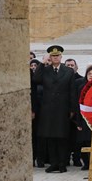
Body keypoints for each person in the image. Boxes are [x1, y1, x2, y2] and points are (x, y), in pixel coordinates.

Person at [31, 45, 77, 173]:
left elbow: (72, 91)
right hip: (48, 110)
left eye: (57, 56)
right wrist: (42, 63)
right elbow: (36, 79)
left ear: (61, 57)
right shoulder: (45, 70)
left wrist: (72, 108)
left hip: (62, 109)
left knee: (62, 137)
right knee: (50, 137)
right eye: (53, 56)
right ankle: (54, 162)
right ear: (50, 57)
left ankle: (62, 163)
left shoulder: (68, 71)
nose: (55, 58)